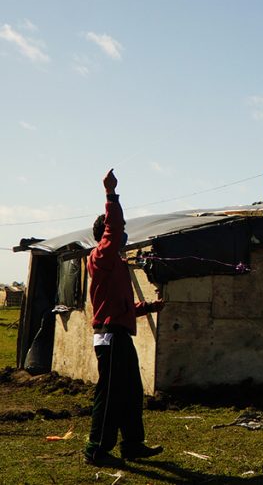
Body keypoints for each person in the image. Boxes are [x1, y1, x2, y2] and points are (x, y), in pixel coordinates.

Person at [83, 169, 165, 466]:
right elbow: (114, 228)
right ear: (106, 235)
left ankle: (132, 444)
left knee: (130, 389)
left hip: (119, 333)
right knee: (110, 393)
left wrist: (148, 308)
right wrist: (110, 194)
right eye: (118, 231)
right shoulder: (101, 256)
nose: (123, 235)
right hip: (109, 335)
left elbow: (121, 305)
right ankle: (96, 449)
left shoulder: (115, 264)